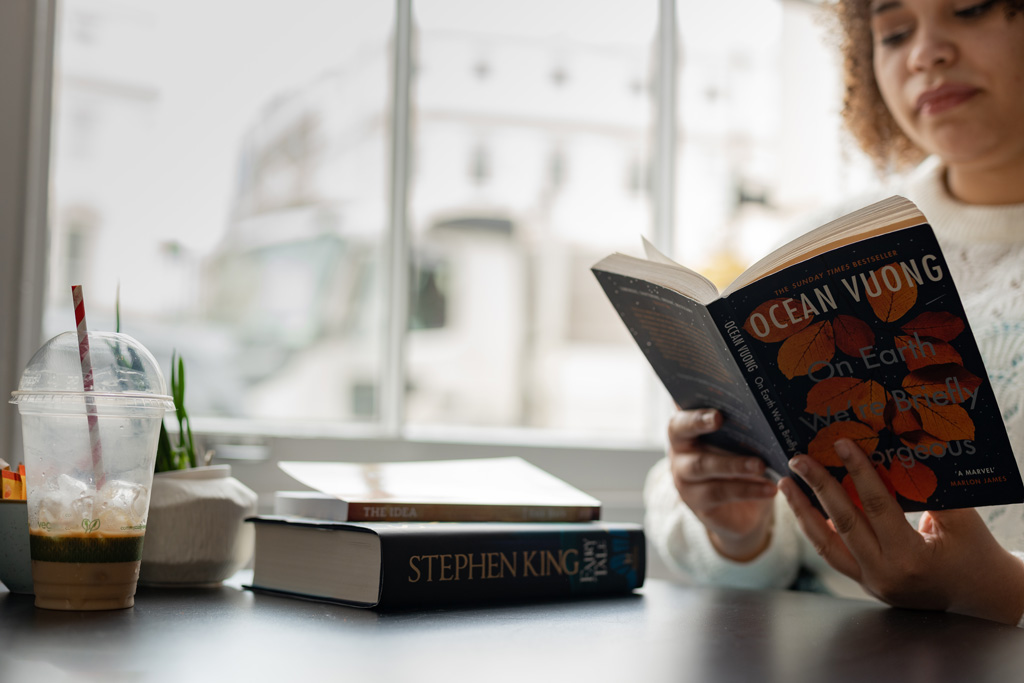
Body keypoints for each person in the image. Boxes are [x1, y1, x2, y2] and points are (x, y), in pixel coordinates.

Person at [643, 0, 1024, 626]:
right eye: (894, 32)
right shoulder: (829, 244)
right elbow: (765, 548)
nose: (926, 52)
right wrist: (742, 530)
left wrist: (1000, 590)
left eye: (969, 9)